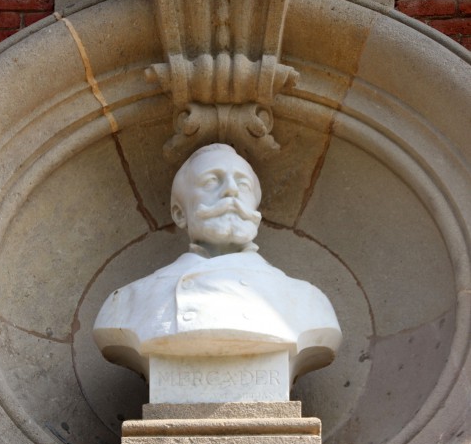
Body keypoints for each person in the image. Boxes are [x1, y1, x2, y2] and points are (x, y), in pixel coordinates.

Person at [93, 144, 341, 384]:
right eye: (212, 181)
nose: (231, 191)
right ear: (180, 214)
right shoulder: (129, 301)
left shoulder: (307, 301)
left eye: (242, 184)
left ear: (255, 209)